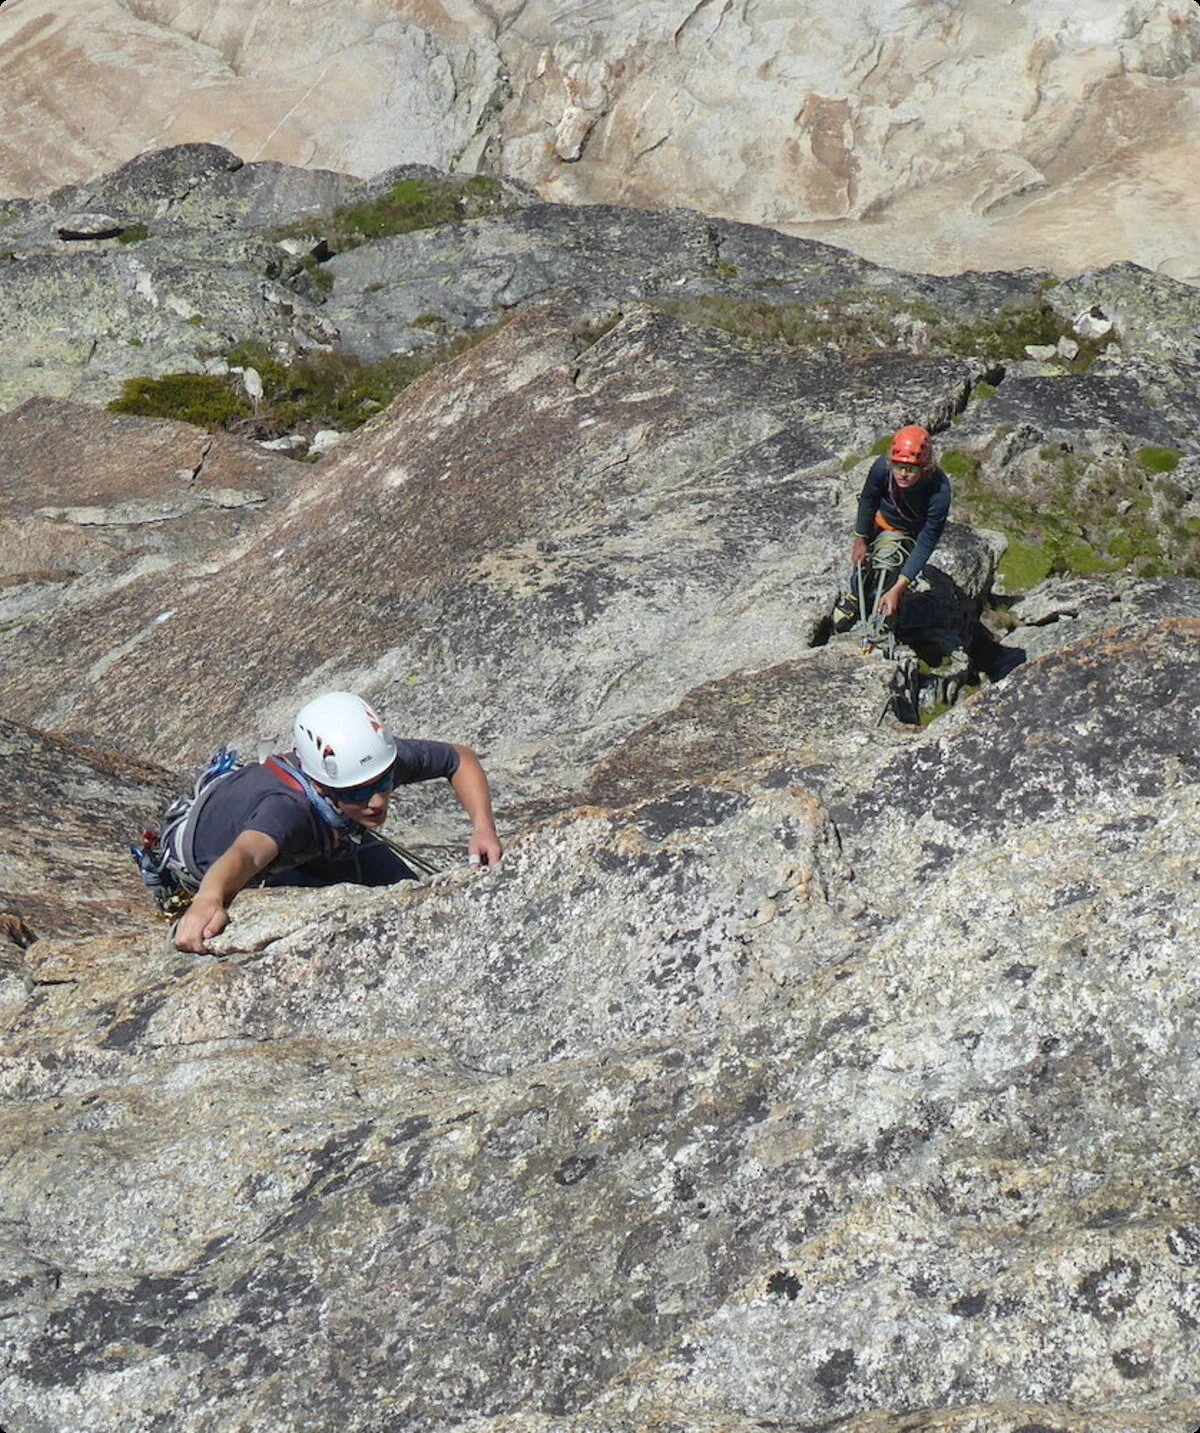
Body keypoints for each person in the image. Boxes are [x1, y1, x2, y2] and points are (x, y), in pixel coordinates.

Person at [169, 691, 502, 954]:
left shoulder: (371, 763)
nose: (377, 801)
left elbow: (459, 758)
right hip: (216, 857)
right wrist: (207, 900)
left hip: (320, 831)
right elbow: (247, 854)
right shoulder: (288, 811)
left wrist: (483, 828)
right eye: (359, 792)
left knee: (407, 893)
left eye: (383, 783)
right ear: (321, 785)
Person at [834, 425, 952, 629]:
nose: (904, 474)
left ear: (924, 467)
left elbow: (927, 540)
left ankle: (887, 607)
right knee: (864, 565)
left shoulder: (939, 490)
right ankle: (856, 596)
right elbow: (869, 501)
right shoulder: (882, 468)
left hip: (910, 535)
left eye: (912, 468)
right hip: (880, 523)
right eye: (899, 466)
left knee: (890, 571)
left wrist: (899, 587)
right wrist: (860, 539)